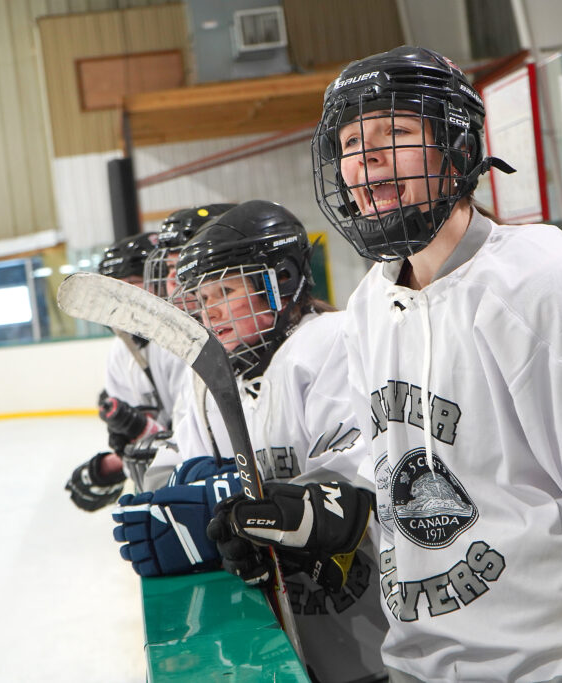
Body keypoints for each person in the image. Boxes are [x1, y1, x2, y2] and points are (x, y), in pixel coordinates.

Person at [213, 47, 562, 682]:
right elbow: (388, 463)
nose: (366, 159)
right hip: (416, 663)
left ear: (458, 148)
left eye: (394, 132)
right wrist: (307, 509)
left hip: (547, 666)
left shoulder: (545, 281)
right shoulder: (370, 303)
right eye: (352, 142)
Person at [113, 200, 389, 683]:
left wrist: (225, 500)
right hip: (301, 635)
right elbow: (180, 473)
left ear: (281, 280)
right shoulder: (219, 378)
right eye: (202, 299)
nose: (210, 312)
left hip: (374, 632)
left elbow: (357, 494)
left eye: (225, 291)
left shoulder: (329, 343)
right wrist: (213, 496)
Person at [65, 232, 180, 511]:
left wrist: (126, 454)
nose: (123, 298)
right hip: (164, 482)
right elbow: (148, 438)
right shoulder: (121, 349)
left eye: (131, 284)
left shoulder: (181, 342)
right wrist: (123, 448)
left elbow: (194, 440)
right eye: (115, 289)